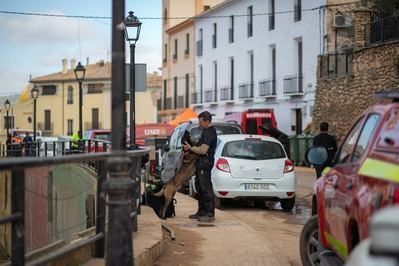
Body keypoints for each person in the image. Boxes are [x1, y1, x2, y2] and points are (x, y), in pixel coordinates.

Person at [183, 111, 217, 222]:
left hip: (205, 162)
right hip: (201, 163)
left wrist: (190, 148)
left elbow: (203, 150)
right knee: (199, 187)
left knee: (205, 188)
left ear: (207, 121)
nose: (199, 124)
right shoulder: (205, 131)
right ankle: (201, 211)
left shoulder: (210, 132)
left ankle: (210, 213)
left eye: (201, 122)